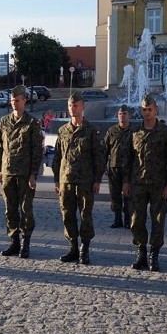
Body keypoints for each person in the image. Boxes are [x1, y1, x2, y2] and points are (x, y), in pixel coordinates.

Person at [123, 95, 167, 272]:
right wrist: (125, 182)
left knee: (158, 221)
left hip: (158, 184)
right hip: (137, 184)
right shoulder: (134, 132)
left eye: (149, 109)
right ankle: (141, 253)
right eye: (144, 109)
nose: (146, 112)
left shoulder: (165, 132)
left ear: (156, 110)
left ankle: (154, 255)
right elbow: (128, 159)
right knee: (136, 220)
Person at [52, 92, 106, 265]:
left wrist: (97, 180)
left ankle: (85, 249)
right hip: (66, 180)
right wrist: (56, 179)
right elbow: (58, 157)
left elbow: (99, 157)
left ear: (83, 107)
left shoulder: (91, 130)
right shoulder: (63, 131)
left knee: (85, 215)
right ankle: (73, 247)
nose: (72, 108)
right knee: (67, 215)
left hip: (85, 181)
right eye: (70, 106)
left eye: (75, 105)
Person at [0, 85, 42, 259]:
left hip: (24, 174)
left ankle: (26, 243)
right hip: (8, 173)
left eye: (18, 100)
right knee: (10, 209)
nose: (15, 103)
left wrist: (33, 174)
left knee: (26, 209)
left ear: (24, 101)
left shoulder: (31, 122)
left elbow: (37, 150)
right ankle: (14, 241)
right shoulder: (4, 121)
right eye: (12, 100)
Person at [104, 104, 132, 229]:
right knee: (114, 195)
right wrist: (103, 166)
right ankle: (117, 219)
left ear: (129, 116)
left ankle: (127, 219)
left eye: (124, 114)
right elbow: (105, 150)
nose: (122, 116)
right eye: (120, 114)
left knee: (128, 195)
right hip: (114, 168)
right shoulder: (112, 131)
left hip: (129, 169)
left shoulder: (134, 131)